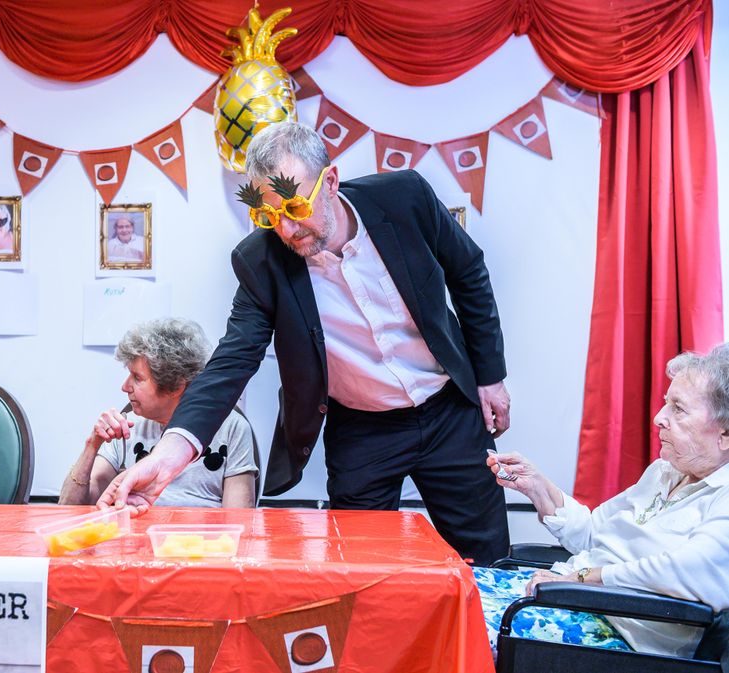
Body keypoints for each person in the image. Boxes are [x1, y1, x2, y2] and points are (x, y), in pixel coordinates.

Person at [101, 121, 511, 565]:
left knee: (484, 556)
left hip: (448, 408)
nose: (286, 229)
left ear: (330, 181)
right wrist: (166, 457)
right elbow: (232, 362)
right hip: (363, 429)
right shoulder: (261, 261)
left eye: (295, 207)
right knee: (360, 568)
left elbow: (468, 272)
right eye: (268, 215)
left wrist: (490, 376)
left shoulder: (404, 197)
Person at [474, 342, 729, 657]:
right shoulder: (666, 471)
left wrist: (582, 579)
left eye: (678, 408)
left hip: (621, 634)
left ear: (728, 432)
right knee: (448, 587)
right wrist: (538, 487)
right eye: (666, 403)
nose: (658, 418)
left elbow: (693, 573)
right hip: (570, 597)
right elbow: (594, 534)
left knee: (456, 625)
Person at [59, 318, 258, 508]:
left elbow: (238, 518)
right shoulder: (126, 427)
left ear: (175, 385)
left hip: (203, 532)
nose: (125, 387)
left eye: (137, 378)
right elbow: (70, 507)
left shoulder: (232, 428)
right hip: (135, 531)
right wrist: (92, 446)